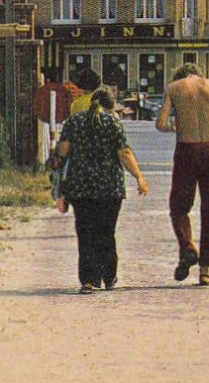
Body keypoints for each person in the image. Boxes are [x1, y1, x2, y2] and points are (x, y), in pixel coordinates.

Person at [54, 88, 149, 292]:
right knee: (106, 232)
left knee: (85, 232)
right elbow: (124, 153)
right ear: (110, 105)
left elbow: (63, 151)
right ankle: (108, 276)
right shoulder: (113, 122)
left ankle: (87, 280)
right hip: (110, 186)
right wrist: (139, 177)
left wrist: (59, 184)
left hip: (80, 185)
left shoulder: (74, 122)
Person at [156, 63, 209, 287]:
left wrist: (175, 125)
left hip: (186, 148)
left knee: (179, 206)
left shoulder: (174, 88)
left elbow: (160, 124)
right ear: (199, 73)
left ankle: (188, 248)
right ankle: (205, 270)